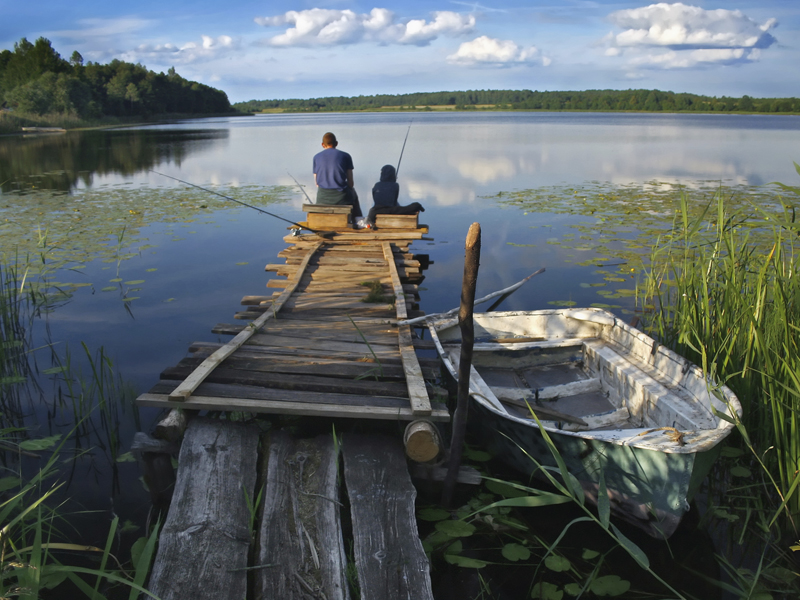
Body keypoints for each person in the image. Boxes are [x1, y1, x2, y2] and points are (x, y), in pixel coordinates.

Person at [312, 132, 363, 218]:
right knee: (353, 193)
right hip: (341, 198)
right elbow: (350, 183)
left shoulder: (316, 157)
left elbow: (317, 183)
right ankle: (357, 220)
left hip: (322, 198)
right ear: (336, 143)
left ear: (322, 145)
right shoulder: (346, 156)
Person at [366, 164, 424, 229]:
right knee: (411, 207)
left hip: (377, 210)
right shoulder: (395, 185)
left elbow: (375, 199)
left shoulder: (376, 185)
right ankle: (417, 207)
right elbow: (394, 201)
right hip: (391, 209)